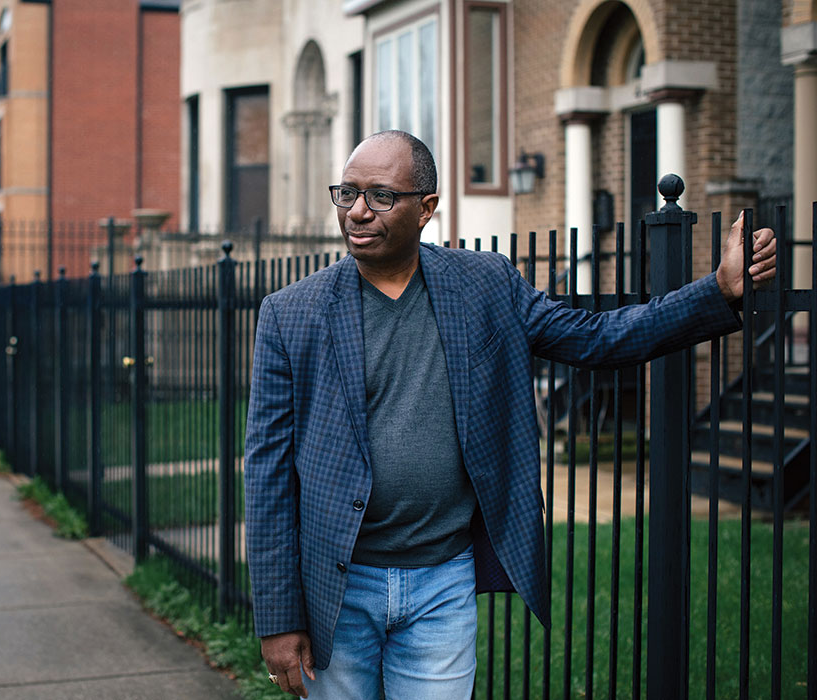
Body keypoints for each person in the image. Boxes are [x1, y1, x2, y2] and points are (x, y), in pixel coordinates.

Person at [244, 130, 776, 699]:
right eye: (346, 192)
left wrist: (717, 292)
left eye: (379, 195)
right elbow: (268, 472)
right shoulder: (290, 314)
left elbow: (595, 338)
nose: (356, 211)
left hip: (443, 582)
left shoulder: (484, 284)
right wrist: (278, 618)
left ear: (426, 209)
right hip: (338, 585)